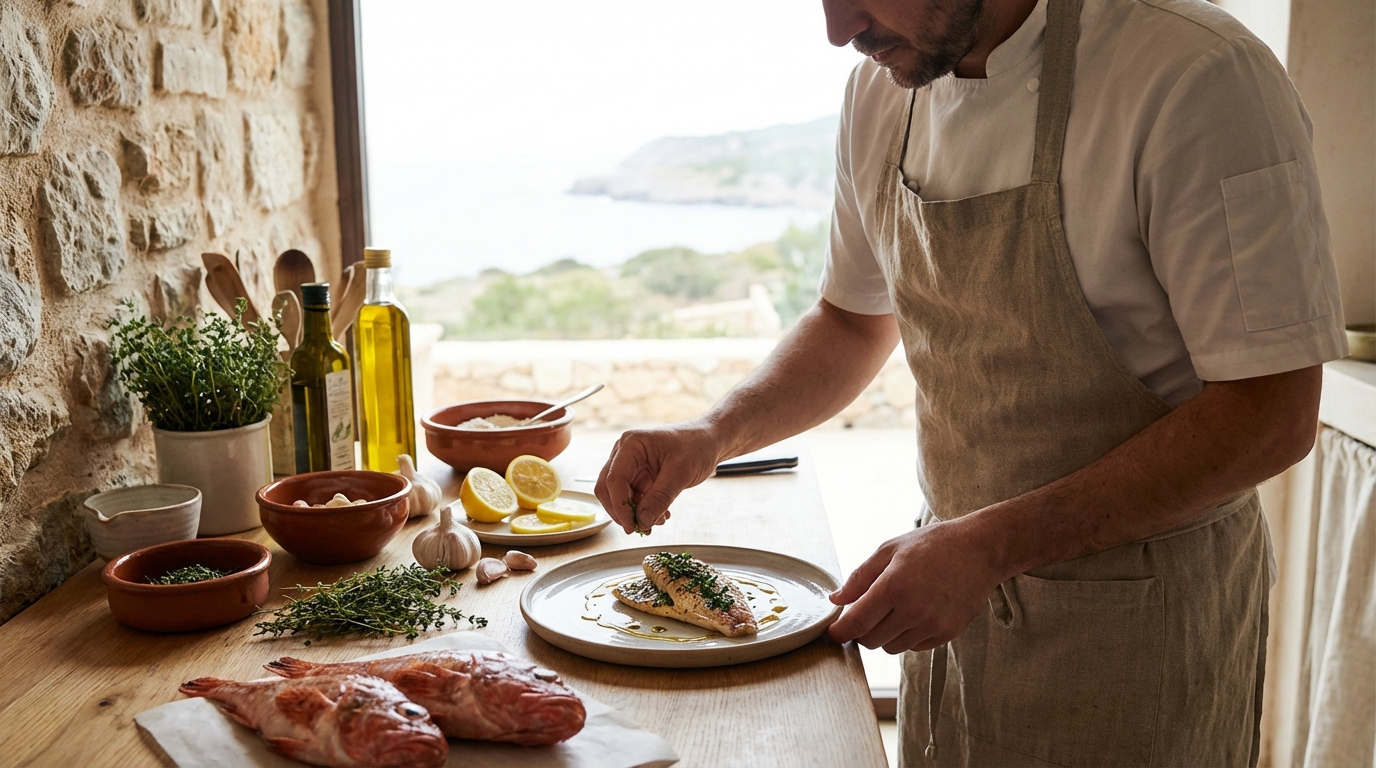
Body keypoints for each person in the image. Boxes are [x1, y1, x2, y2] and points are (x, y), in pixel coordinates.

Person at [595, 0, 1346, 764]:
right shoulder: (882, 90)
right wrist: (713, 434)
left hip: (1140, 633)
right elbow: (852, 321)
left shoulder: (1198, 76)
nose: (838, 28)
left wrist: (987, 547)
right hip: (948, 604)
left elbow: (1271, 413)